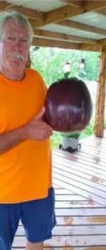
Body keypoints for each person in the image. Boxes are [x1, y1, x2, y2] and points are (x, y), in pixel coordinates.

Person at [0, 10, 56, 250]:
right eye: (10, 38)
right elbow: (31, 129)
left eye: (24, 40)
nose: (18, 46)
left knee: (37, 243)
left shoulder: (36, 79)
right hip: (3, 195)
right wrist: (25, 132)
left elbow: (47, 119)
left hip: (39, 188)